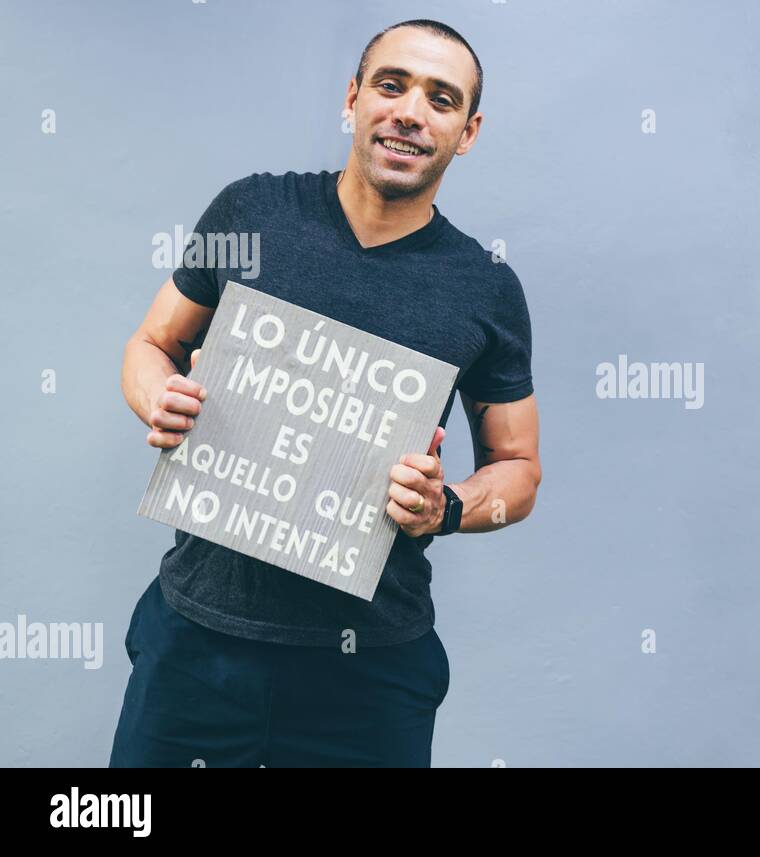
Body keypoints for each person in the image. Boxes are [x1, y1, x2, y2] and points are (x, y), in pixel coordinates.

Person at [110, 19, 542, 767]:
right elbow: (152, 344)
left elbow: (519, 469)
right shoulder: (251, 214)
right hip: (196, 642)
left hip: (370, 671)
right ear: (353, 98)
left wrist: (444, 506)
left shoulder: (486, 288)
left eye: (441, 99)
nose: (411, 110)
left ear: (467, 132)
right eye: (391, 84)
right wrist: (158, 397)